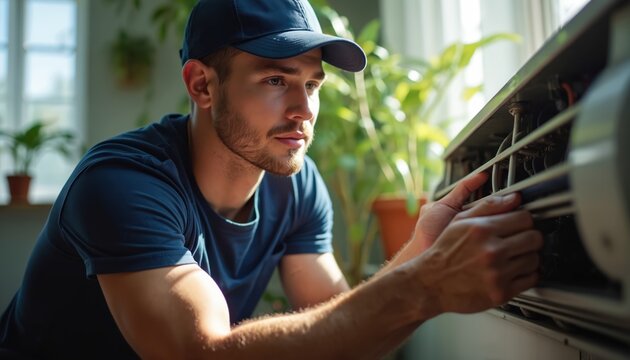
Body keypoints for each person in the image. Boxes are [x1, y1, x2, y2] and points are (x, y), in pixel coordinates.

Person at [0, 0, 543, 358]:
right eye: (276, 79)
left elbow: (338, 325)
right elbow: (200, 352)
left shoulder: (296, 184)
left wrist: (421, 249)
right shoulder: (122, 185)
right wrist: (426, 284)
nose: (304, 109)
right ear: (203, 86)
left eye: (313, 84)